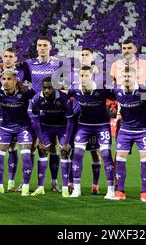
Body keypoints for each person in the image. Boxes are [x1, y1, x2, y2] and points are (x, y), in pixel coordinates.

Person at [0, 36, 64, 192]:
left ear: (50, 47)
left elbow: (66, 82)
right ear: (37, 47)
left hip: (53, 111)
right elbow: (13, 69)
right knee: (31, 147)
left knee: (52, 147)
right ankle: (25, 183)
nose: (42, 48)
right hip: (34, 110)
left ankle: (53, 182)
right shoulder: (29, 64)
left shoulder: (59, 63)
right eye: (39, 45)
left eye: (45, 45)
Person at [0, 48, 31, 192]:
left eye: (11, 56)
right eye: (5, 56)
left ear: (15, 58)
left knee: (12, 148)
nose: (7, 59)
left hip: (15, 115)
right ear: (1, 58)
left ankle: (11, 182)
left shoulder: (22, 72)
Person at [68, 66, 116, 199]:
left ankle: (111, 190)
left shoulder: (102, 89)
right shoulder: (75, 91)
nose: (83, 78)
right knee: (77, 154)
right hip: (84, 126)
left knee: (106, 154)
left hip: (102, 126)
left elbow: (118, 94)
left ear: (92, 77)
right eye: (81, 75)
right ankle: (76, 189)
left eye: (86, 76)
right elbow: (61, 93)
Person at [113, 66, 146, 202]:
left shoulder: (143, 91)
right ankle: (120, 191)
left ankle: (144, 191)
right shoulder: (116, 91)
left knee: (145, 159)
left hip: (143, 130)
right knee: (120, 158)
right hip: (125, 130)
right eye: (124, 77)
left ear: (135, 78)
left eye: (129, 76)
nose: (126, 79)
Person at [30, 77, 74, 197]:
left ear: (55, 87)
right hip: (46, 127)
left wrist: (67, 142)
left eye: (49, 88)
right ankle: (40, 187)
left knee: (65, 152)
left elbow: (70, 121)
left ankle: (65, 188)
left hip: (62, 127)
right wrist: (40, 139)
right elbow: (35, 119)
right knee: (42, 150)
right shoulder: (37, 99)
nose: (47, 90)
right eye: (44, 88)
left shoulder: (64, 99)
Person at [70, 48, 103, 195]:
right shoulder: (73, 74)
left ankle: (95, 185)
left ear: (92, 57)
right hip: (77, 119)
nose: (83, 57)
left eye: (87, 55)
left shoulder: (99, 74)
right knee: (74, 152)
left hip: (94, 119)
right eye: (82, 55)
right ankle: (71, 183)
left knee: (95, 152)